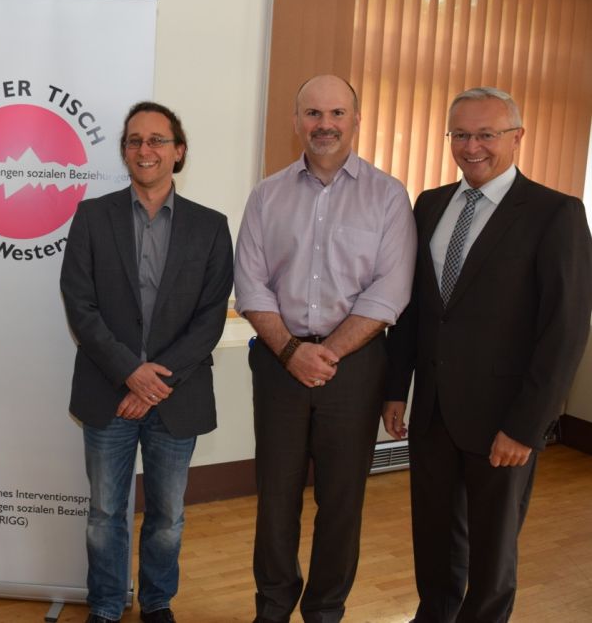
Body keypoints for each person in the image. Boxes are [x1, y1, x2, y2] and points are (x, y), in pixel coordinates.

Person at [383, 87, 592, 622]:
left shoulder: (556, 213)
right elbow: (415, 310)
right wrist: (394, 392)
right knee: (433, 538)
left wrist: (527, 426)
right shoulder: (428, 204)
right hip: (431, 413)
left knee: (492, 554)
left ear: (517, 137)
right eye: (461, 134)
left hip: (504, 420)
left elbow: (563, 332)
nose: (471, 146)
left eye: (486, 134)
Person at [234, 75, 417, 623]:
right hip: (277, 364)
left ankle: (325, 610)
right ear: (296, 122)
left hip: (355, 369)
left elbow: (390, 291)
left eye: (337, 113)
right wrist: (292, 352)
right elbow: (251, 285)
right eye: (313, 113)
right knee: (276, 500)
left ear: (356, 121)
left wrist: (327, 353)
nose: (325, 124)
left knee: (341, 503)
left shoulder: (387, 195)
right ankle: (272, 606)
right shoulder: (267, 194)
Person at [60, 102, 234, 623]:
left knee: (168, 516)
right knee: (105, 512)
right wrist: (128, 373)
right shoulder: (92, 216)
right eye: (135, 140)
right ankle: (108, 605)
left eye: (158, 140)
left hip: (176, 397)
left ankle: (157, 602)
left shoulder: (211, 226)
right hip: (107, 389)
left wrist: (154, 380)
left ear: (178, 152)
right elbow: (79, 305)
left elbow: (210, 318)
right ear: (125, 151)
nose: (145, 150)